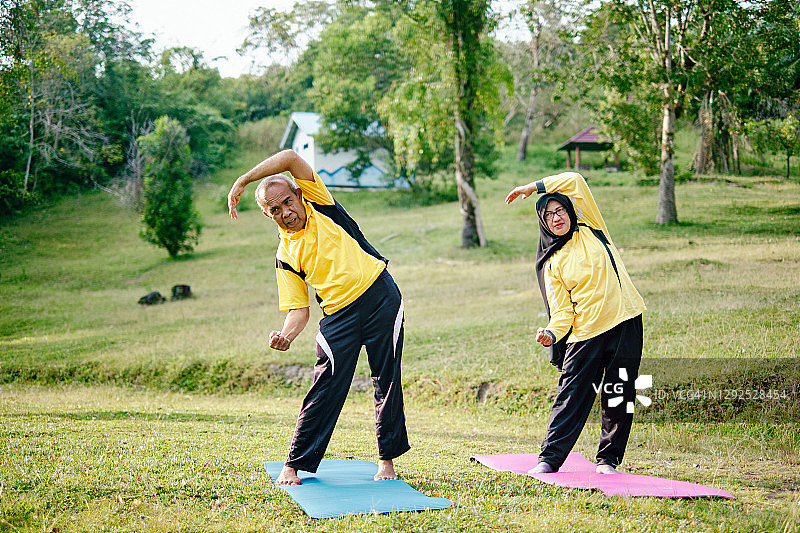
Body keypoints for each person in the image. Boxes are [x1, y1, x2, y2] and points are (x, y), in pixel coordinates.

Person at [227, 149, 410, 485]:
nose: (285, 211)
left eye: (286, 202)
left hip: (380, 295)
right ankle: (294, 464)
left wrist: (243, 180)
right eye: (275, 210)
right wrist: (286, 335)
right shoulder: (285, 255)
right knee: (324, 386)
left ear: (298, 195)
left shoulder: (319, 203)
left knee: (386, 378)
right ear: (269, 217)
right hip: (339, 314)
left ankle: (386, 462)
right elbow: (298, 310)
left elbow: (289, 156)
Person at [505, 172, 646, 475]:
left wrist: (532, 185)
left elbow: (576, 180)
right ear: (543, 222)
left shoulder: (592, 228)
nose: (556, 218)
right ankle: (549, 460)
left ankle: (608, 461)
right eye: (548, 214)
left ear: (570, 212)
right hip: (587, 333)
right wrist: (552, 334)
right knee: (572, 397)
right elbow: (562, 312)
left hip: (627, 320)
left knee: (619, 393)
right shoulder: (553, 262)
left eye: (560, 211)